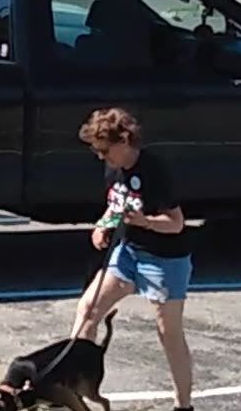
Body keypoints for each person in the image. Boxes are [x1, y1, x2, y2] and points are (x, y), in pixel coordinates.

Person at [71, 107, 195, 411]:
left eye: (104, 150)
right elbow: (115, 207)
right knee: (88, 309)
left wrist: (146, 222)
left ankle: (184, 404)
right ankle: (73, 386)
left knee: (169, 334)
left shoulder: (155, 170)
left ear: (124, 142)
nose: (101, 157)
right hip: (128, 252)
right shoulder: (113, 168)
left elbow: (177, 223)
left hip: (165, 259)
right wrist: (102, 226)